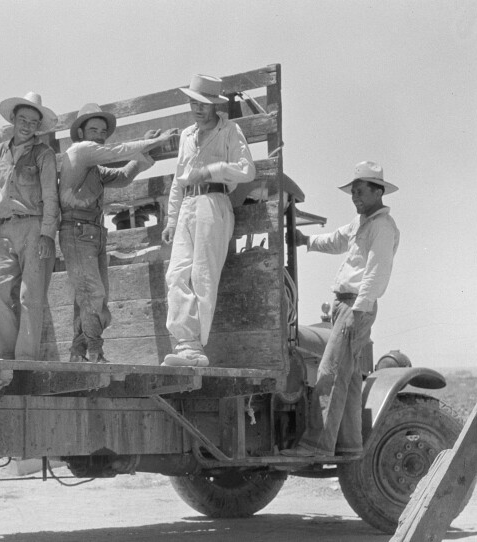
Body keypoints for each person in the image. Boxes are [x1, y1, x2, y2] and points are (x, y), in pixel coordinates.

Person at [282, 160, 400, 458]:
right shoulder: (363, 223)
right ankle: (349, 445)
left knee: (330, 373)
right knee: (347, 380)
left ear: (377, 191)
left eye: (359, 191)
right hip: (346, 306)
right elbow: (337, 240)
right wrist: (306, 240)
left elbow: (376, 271)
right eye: (352, 191)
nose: (354, 196)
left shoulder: (382, 227)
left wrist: (359, 310)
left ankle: (314, 446)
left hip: (355, 307)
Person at [59, 103, 178, 363]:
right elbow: (116, 151)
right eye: (93, 129)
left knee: (90, 295)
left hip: (92, 233)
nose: (99, 134)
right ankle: (95, 351)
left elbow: (123, 176)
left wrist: (145, 150)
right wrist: (153, 142)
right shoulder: (80, 151)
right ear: (80, 133)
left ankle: (78, 353)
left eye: (103, 130)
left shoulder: (94, 167)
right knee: (93, 293)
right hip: (78, 231)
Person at [161, 74, 256, 367]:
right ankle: (185, 344)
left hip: (213, 203)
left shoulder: (229, 131)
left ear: (215, 104)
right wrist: (171, 217)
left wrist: (211, 171)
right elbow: (178, 180)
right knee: (175, 274)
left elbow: (246, 170)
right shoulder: (187, 135)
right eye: (193, 102)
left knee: (202, 276)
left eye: (203, 103)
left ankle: (195, 349)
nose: (197, 108)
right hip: (188, 205)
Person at [0, 92, 59, 360]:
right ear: (13, 119)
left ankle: (26, 360)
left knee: (31, 296)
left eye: (33, 122)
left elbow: (51, 195)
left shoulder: (43, 154)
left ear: (38, 127)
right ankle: (4, 354)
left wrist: (48, 234)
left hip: (34, 227)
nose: (27, 126)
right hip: (5, 228)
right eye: (23, 119)